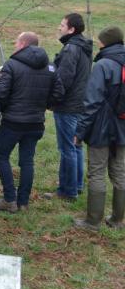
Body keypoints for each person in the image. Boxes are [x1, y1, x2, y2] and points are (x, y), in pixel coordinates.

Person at [0, 32, 63, 213]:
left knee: (1, 156)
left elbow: (0, 94)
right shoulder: (51, 67)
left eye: (16, 42)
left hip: (13, 122)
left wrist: (6, 109)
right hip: (36, 122)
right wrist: (44, 105)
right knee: (27, 161)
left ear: (23, 44)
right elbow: (59, 93)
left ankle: (9, 199)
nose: (15, 45)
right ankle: (23, 202)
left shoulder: (12, 65)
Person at [74, 26, 125, 231]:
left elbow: (91, 102)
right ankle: (117, 221)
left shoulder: (103, 64)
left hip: (101, 128)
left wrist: (80, 131)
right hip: (123, 127)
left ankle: (92, 221)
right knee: (120, 172)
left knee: (96, 172)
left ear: (106, 42)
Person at [47, 13, 93, 201]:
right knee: (75, 147)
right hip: (81, 103)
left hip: (68, 106)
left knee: (67, 148)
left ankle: (68, 191)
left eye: (62, 25)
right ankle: (77, 185)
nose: (59, 27)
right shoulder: (83, 46)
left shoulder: (71, 49)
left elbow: (63, 80)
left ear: (72, 29)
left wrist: (52, 101)